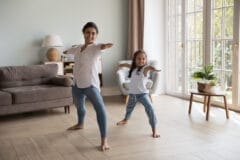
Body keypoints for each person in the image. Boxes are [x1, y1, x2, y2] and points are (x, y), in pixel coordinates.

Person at [64, 22, 113, 151]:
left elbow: (101, 46)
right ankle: (80, 124)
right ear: (83, 33)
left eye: (93, 33)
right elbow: (67, 51)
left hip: (91, 85)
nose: (90, 35)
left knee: (100, 109)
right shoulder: (78, 48)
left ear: (96, 35)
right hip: (77, 84)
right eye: (88, 32)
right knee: (80, 107)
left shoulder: (96, 47)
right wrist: (64, 51)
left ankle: (104, 140)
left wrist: (105, 46)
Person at [116, 50, 160, 138]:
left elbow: (149, 67)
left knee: (150, 109)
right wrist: (122, 65)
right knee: (129, 108)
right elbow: (127, 65)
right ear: (135, 60)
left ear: (146, 60)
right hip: (132, 94)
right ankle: (125, 119)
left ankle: (154, 129)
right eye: (139, 59)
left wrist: (154, 69)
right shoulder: (133, 68)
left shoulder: (144, 69)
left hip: (143, 94)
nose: (141, 61)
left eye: (143, 59)